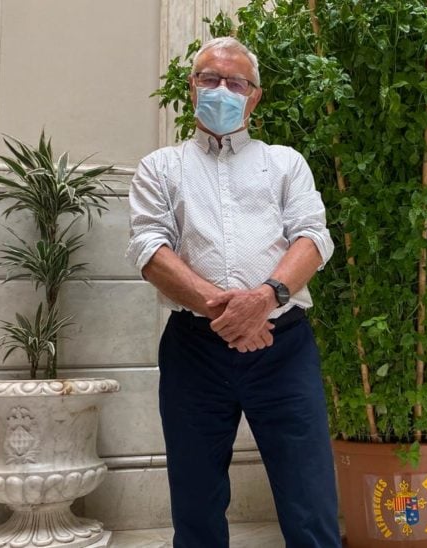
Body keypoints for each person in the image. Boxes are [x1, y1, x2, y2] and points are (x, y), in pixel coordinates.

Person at [126, 36, 342, 548]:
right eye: (210, 78)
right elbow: (149, 249)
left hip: (283, 346)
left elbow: (314, 238)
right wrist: (228, 313)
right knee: (195, 500)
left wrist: (264, 299)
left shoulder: (286, 163)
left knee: (309, 497)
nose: (222, 89)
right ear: (191, 87)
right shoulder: (160, 167)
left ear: (254, 96)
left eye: (236, 82)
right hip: (194, 350)